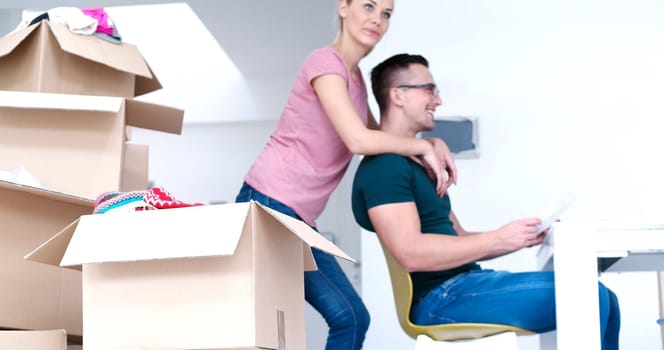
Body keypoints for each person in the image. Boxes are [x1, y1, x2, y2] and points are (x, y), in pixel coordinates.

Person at [351, 53, 621, 349]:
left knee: (605, 298)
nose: (437, 101)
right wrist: (497, 239)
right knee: (588, 296)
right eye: (429, 89)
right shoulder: (385, 168)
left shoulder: (417, 162)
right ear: (398, 95)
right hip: (441, 299)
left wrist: (516, 237)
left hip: (463, 285)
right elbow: (410, 253)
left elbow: (460, 239)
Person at [234, 1, 460, 349]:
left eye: (386, 13)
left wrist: (433, 142)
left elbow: (380, 138)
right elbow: (358, 139)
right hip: (269, 202)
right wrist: (423, 148)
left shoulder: (353, 79)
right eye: (368, 6)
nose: (376, 19)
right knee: (318, 318)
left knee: (349, 317)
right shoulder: (325, 64)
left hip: (294, 215)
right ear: (343, 7)